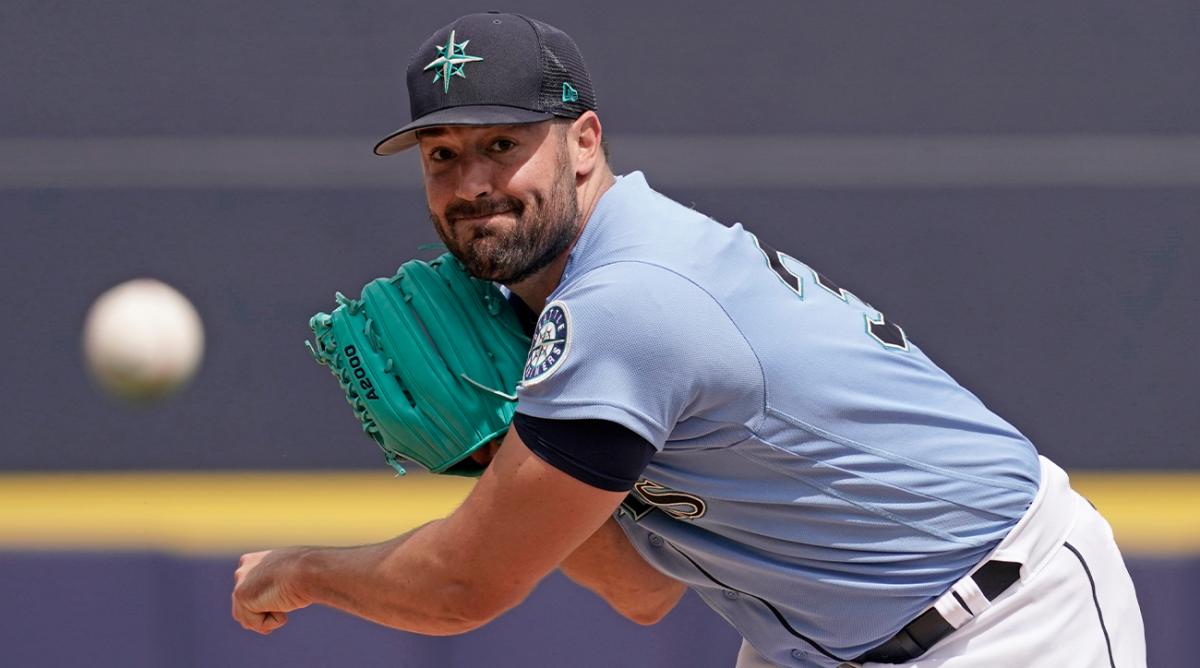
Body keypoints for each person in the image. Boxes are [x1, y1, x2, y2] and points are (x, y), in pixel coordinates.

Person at [231, 12, 1146, 667]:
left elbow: (461, 591)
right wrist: (493, 454)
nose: (472, 181)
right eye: (443, 155)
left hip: (1006, 625)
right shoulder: (588, 298)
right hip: (819, 638)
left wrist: (297, 571)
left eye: (503, 144)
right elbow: (644, 592)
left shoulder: (628, 304)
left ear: (582, 141)